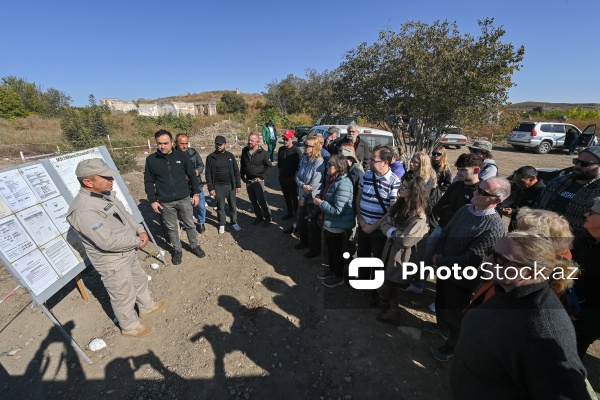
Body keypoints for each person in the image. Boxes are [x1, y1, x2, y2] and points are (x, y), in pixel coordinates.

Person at [450, 231, 591, 400]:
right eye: (490, 252)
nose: (487, 261)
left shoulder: (543, 330)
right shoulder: (508, 292)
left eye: (500, 259)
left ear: (531, 273)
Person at [67, 158, 167, 338]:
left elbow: (125, 214)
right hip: (111, 259)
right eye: (105, 177)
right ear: (88, 182)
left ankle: (146, 306)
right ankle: (129, 326)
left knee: (139, 279)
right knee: (122, 293)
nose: (111, 180)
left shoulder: (106, 194)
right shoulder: (83, 210)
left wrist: (140, 230)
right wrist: (136, 240)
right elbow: (107, 241)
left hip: (127, 249)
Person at [426, 177, 509, 362]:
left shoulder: (494, 226)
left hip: (462, 278)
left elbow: (473, 258)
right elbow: (446, 232)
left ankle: (452, 346)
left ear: (497, 200)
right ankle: (441, 327)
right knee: (441, 298)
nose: (475, 192)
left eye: (483, 192)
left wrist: (441, 261)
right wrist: (438, 253)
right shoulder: (465, 209)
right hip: (444, 267)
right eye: (478, 188)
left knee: (456, 312)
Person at [404, 153, 483, 295]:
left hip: (462, 236)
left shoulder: (482, 191)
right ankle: (418, 285)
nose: (458, 173)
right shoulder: (456, 186)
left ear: (476, 170)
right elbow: (439, 207)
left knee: (449, 265)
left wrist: (452, 214)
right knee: (425, 256)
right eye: (458, 169)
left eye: (463, 170)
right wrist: (457, 215)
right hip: (441, 228)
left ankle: (440, 299)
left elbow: (476, 218)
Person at [144, 129, 205, 265]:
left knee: (189, 223)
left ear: (172, 142)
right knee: (171, 227)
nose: (162, 146)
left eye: (165, 143)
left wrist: (195, 193)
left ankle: (194, 245)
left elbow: (192, 175)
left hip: (184, 197)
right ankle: (177, 250)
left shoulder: (182, 157)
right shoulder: (151, 160)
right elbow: (148, 182)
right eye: (159, 143)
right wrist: (152, 201)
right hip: (165, 201)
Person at [376, 175, 429, 324]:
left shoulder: (419, 215)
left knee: (386, 286)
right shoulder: (399, 205)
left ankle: (389, 306)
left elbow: (405, 240)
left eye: (405, 187)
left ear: (414, 191)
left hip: (402, 259)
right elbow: (384, 223)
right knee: (391, 286)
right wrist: (395, 231)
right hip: (390, 251)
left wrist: (391, 231)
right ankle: (392, 309)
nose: (400, 189)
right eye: (401, 185)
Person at [355, 146, 401, 278]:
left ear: (385, 163)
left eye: (373, 160)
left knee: (378, 260)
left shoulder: (394, 181)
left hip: (379, 231)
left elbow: (392, 210)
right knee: (362, 256)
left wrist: (374, 226)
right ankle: (362, 280)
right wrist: (360, 219)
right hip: (363, 226)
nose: (369, 162)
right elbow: (359, 197)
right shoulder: (368, 175)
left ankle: (376, 291)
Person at [535, 146, 600, 236]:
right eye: (576, 161)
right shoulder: (557, 182)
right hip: (542, 236)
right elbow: (537, 205)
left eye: (585, 164)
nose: (577, 166)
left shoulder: (597, 192)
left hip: (577, 245)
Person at [313, 155, 355, 288]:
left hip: (338, 224)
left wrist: (321, 203)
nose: (326, 167)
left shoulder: (344, 183)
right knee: (330, 249)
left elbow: (338, 210)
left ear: (338, 168)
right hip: (330, 223)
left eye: (329, 165)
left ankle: (338, 276)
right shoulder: (334, 180)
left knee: (337, 251)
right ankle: (332, 271)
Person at [571, 198, 600, 359]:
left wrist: (577, 316)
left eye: (592, 212)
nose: (585, 214)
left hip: (582, 324)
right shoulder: (586, 236)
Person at [294, 135, 325, 258]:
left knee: (312, 225)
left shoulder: (319, 162)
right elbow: (297, 176)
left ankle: (314, 249)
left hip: (311, 199)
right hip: (302, 195)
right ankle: (304, 242)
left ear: (315, 147)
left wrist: (304, 197)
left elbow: (314, 184)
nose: (305, 147)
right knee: (301, 221)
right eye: (305, 145)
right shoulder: (304, 158)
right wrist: (302, 186)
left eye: (308, 146)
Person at [205, 135, 242, 234]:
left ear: (225, 144)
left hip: (230, 185)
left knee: (233, 206)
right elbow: (207, 173)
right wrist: (210, 187)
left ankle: (234, 222)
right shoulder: (210, 158)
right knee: (220, 206)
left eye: (221, 144)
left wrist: (238, 185)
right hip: (218, 186)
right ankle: (222, 223)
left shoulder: (230, 156)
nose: (218, 146)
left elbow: (236, 171)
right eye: (217, 144)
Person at [175, 133, 206, 234]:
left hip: (196, 183)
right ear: (176, 143)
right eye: (182, 143)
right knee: (185, 208)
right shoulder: (172, 155)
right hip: (182, 186)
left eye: (186, 143)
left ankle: (201, 222)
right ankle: (189, 223)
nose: (184, 146)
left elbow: (201, 165)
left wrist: (196, 172)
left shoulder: (193, 152)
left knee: (201, 206)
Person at [240, 132, 272, 227]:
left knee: (261, 200)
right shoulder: (245, 151)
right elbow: (243, 163)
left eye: (252, 140)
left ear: (257, 141)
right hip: (248, 181)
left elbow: (269, 167)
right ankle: (259, 217)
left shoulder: (263, 153)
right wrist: (242, 176)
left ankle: (268, 218)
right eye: (249, 140)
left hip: (258, 181)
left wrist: (262, 177)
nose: (249, 142)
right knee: (253, 200)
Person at [500, 166, 545, 231]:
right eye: (516, 181)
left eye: (520, 181)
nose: (517, 184)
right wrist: (509, 208)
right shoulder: (521, 187)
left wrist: (514, 211)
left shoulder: (543, 193)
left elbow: (538, 214)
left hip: (529, 230)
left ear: (532, 178)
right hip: (515, 227)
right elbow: (517, 203)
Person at [277, 130, 303, 220]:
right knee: (286, 196)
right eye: (284, 139)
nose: (284, 141)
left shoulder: (296, 151)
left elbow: (299, 167)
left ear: (292, 139)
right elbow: (279, 164)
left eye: (286, 139)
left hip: (292, 178)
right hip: (282, 177)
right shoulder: (281, 149)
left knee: (294, 197)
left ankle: (296, 214)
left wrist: (295, 178)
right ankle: (290, 212)